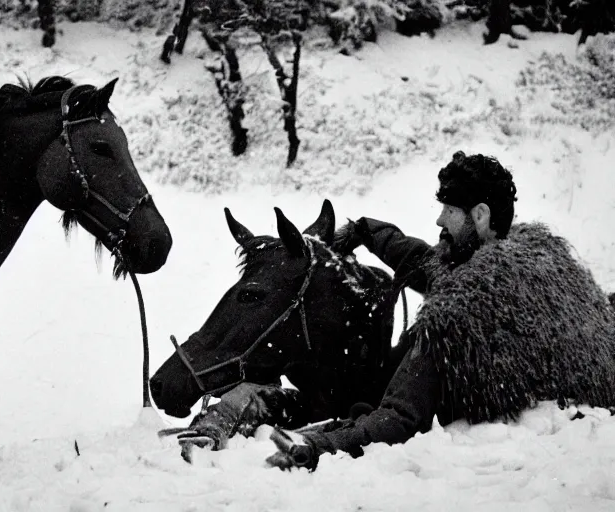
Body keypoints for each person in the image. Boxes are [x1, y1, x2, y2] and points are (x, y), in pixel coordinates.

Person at [180, 151, 615, 470]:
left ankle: (239, 413)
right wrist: (367, 232)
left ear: (480, 216)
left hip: (406, 398)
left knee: (341, 397)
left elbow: (400, 417)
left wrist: (317, 446)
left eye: (449, 211)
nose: (440, 221)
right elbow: (421, 258)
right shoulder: (511, 265)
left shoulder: (459, 315)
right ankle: (238, 410)